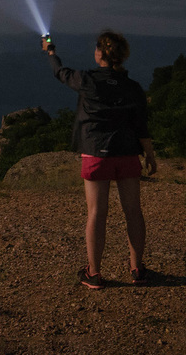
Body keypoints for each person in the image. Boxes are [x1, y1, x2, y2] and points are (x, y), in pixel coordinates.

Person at [44, 30, 157, 288]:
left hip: (96, 153)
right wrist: (149, 155)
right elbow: (141, 126)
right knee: (133, 211)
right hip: (127, 154)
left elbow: (60, 73)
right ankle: (137, 269)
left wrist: (51, 52)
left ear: (101, 54)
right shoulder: (133, 88)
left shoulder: (87, 80)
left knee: (97, 212)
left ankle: (94, 273)